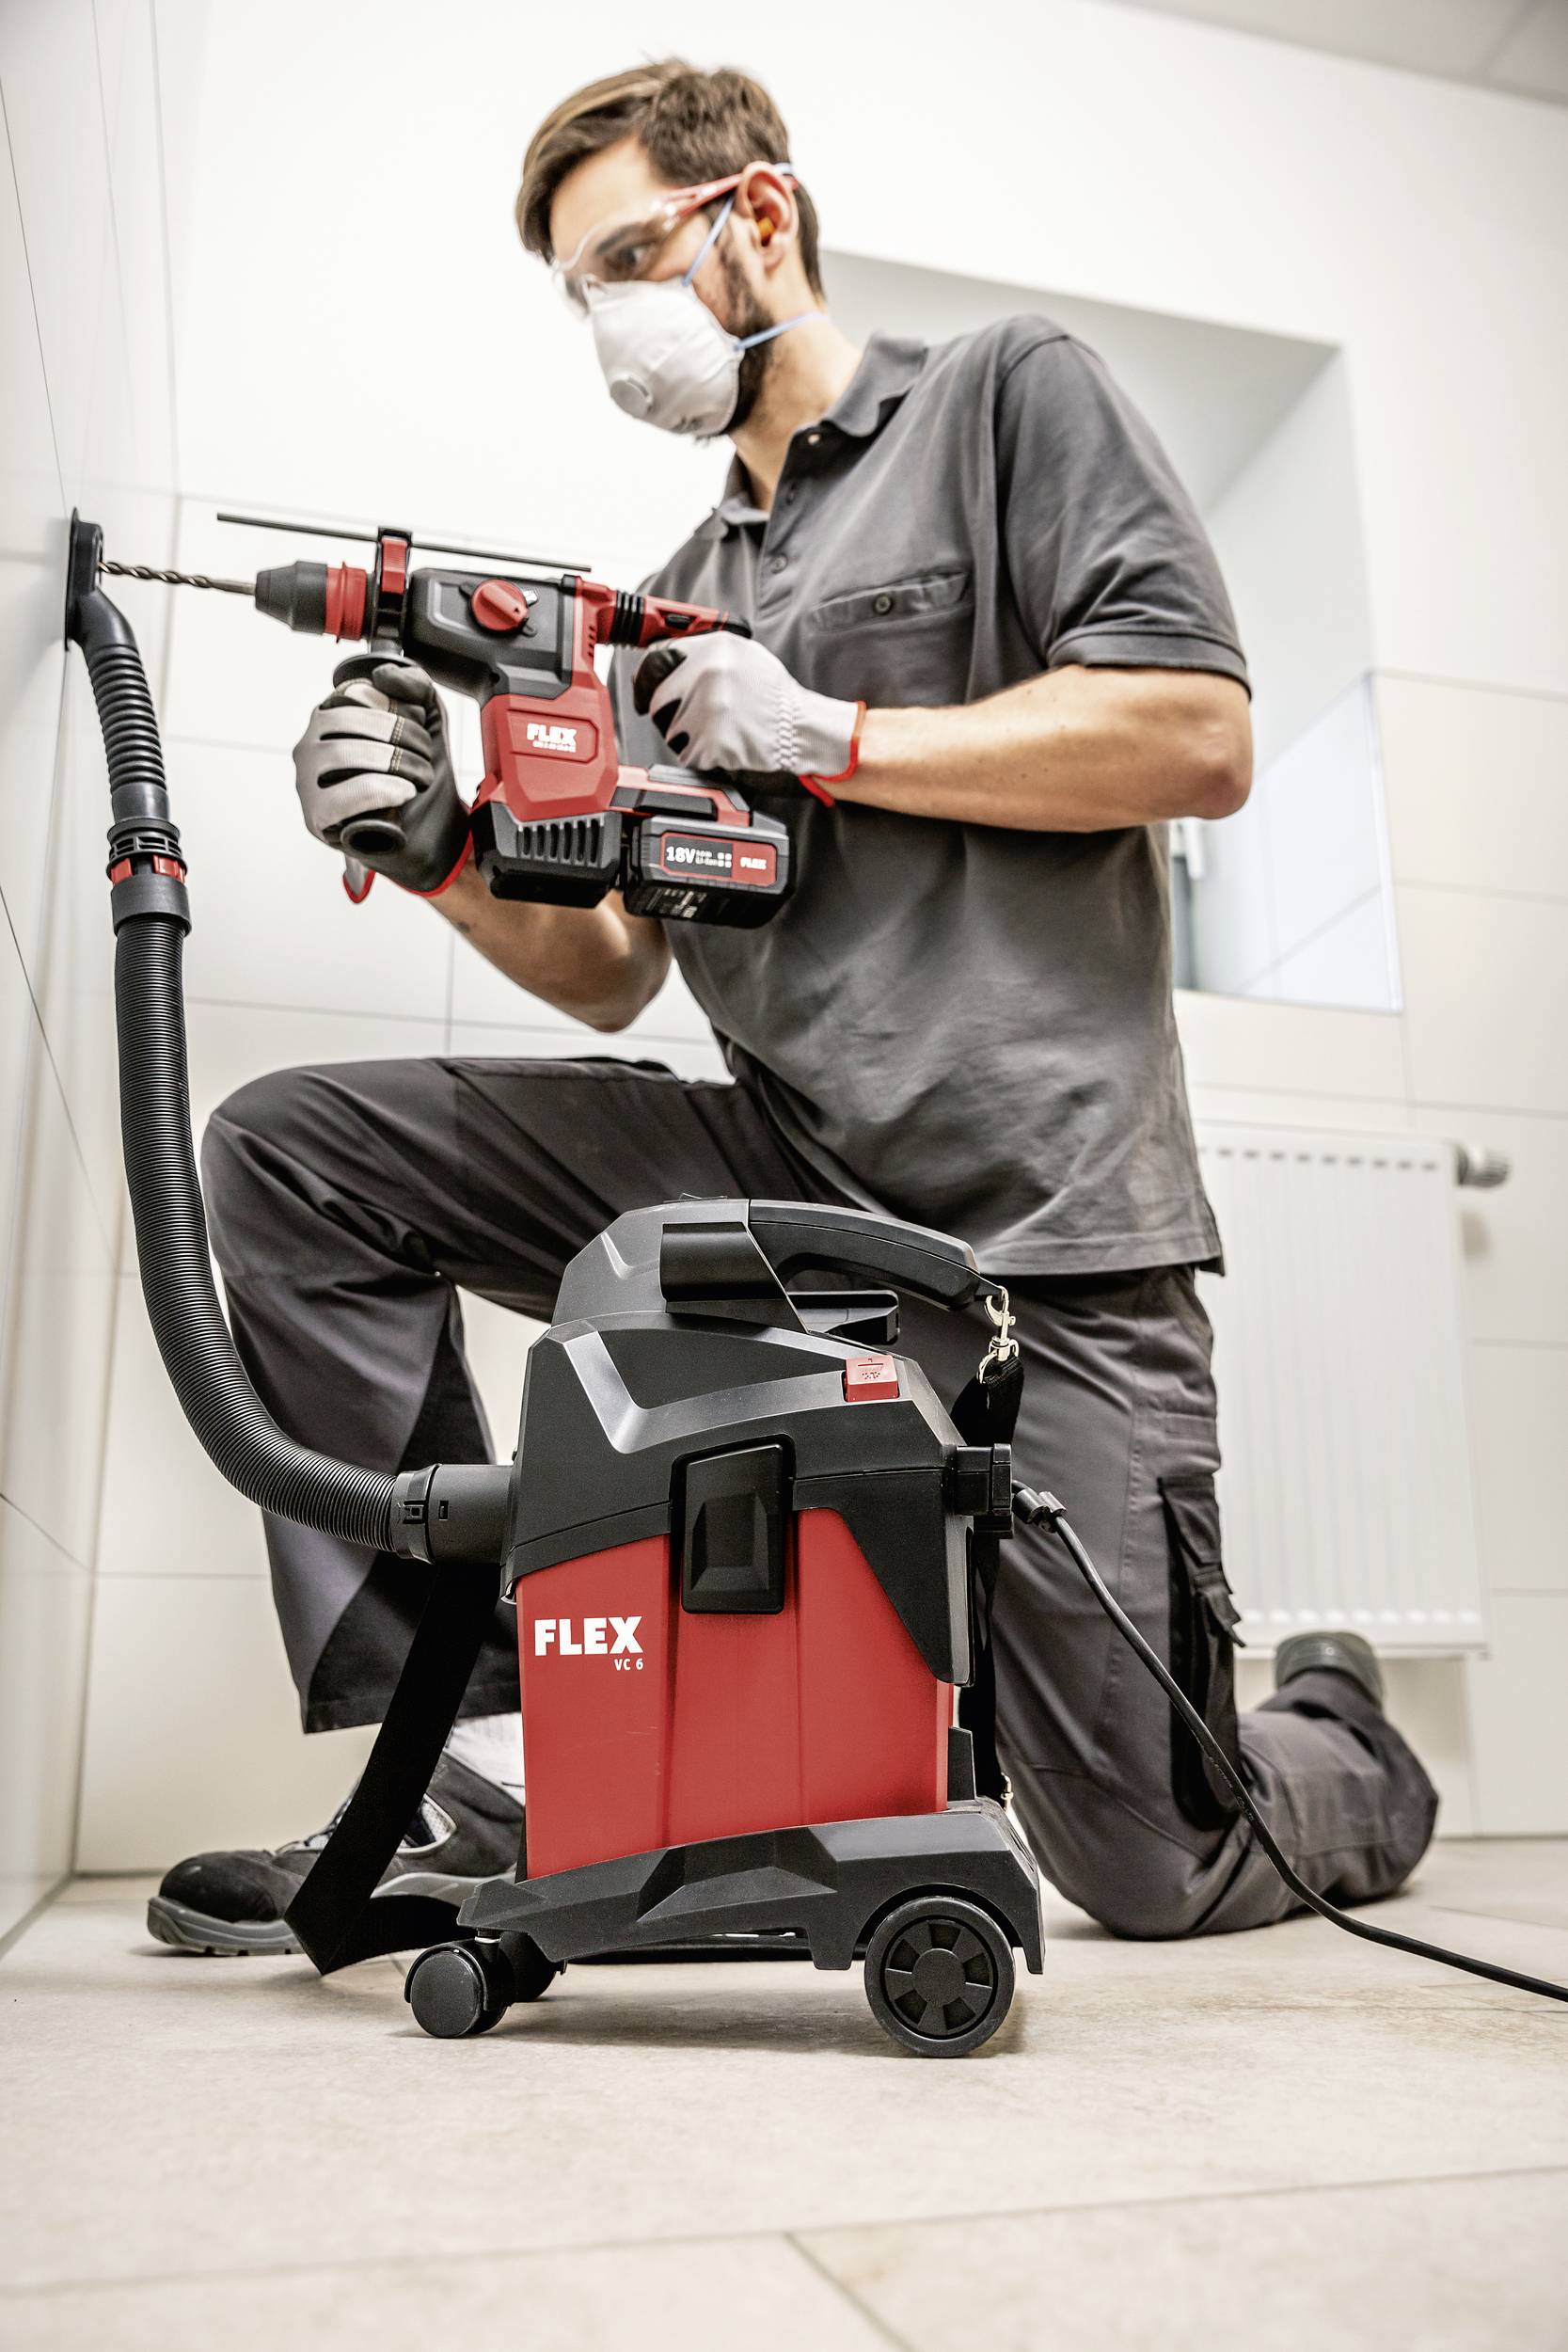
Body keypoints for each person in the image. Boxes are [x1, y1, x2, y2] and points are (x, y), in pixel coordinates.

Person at [149, 60, 1436, 1959]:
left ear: (755, 215)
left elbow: (1200, 733)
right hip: (781, 1188)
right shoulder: (672, 596)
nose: (611, 319)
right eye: (581, 289)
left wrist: (830, 732)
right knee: (295, 1156)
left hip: (1044, 1236)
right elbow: (608, 973)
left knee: (1157, 1865)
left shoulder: (1004, 398)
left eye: (629, 258)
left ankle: (1336, 1726)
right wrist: (438, 848)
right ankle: (453, 1765)